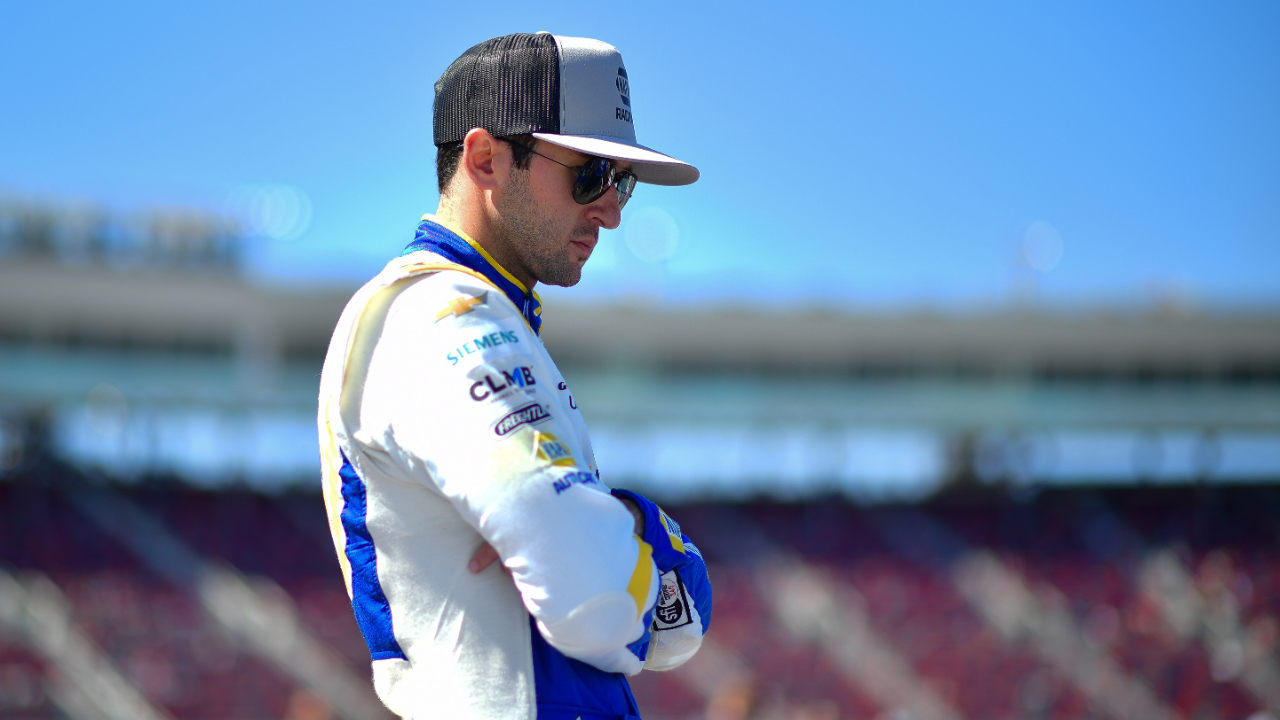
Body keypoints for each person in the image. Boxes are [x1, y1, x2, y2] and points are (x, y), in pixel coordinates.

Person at [316, 32, 713, 720]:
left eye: (622, 182)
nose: (613, 211)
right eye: (590, 173)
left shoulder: (472, 312)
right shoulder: (442, 311)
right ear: (485, 158)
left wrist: (616, 532)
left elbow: (614, 595)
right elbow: (595, 596)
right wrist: (651, 539)